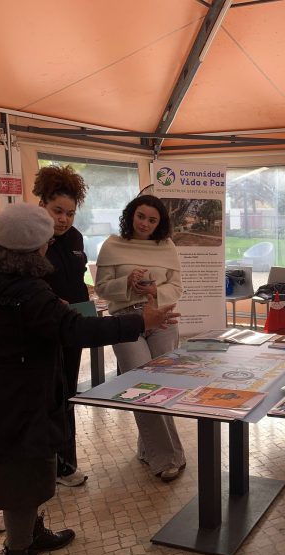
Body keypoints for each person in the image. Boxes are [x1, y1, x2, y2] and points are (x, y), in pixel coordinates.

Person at [0, 203, 179, 555]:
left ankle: (30, 533)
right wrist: (140, 321)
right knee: (21, 473)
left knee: (25, 466)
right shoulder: (25, 289)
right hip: (15, 399)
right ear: (35, 247)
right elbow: (75, 330)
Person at [94, 193, 186, 482]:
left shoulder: (167, 246)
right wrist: (127, 282)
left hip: (161, 319)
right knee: (142, 387)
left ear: (160, 223)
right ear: (131, 215)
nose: (145, 223)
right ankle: (168, 458)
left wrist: (155, 290)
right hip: (125, 321)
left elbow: (177, 287)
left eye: (152, 220)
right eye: (141, 216)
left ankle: (149, 448)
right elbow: (101, 288)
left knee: (162, 387)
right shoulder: (112, 245)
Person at [32, 165, 90, 488]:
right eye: (58, 211)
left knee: (67, 393)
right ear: (42, 204)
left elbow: (78, 280)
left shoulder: (75, 238)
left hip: (73, 325)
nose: (64, 219)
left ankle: (65, 465)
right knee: (46, 398)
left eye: (70, 213)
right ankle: (43, 466)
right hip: (42, 329)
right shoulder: (30, 238)